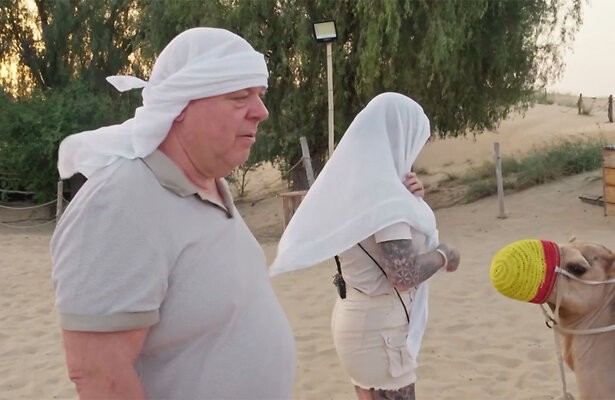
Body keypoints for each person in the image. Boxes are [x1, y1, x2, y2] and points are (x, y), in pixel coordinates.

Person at [50, 27, 296, 399]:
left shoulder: (208, 183)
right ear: (180, 106)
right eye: (239, 96)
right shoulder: (121, 202)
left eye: (259, 95)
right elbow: (98, 373)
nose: (261, 112)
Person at [269, 93, 460, 400]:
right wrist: (444, 254)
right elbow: (403, 275)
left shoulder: (356, 186)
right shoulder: (385, 197)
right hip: (379, 330)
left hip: (360, 317)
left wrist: (413, 201)